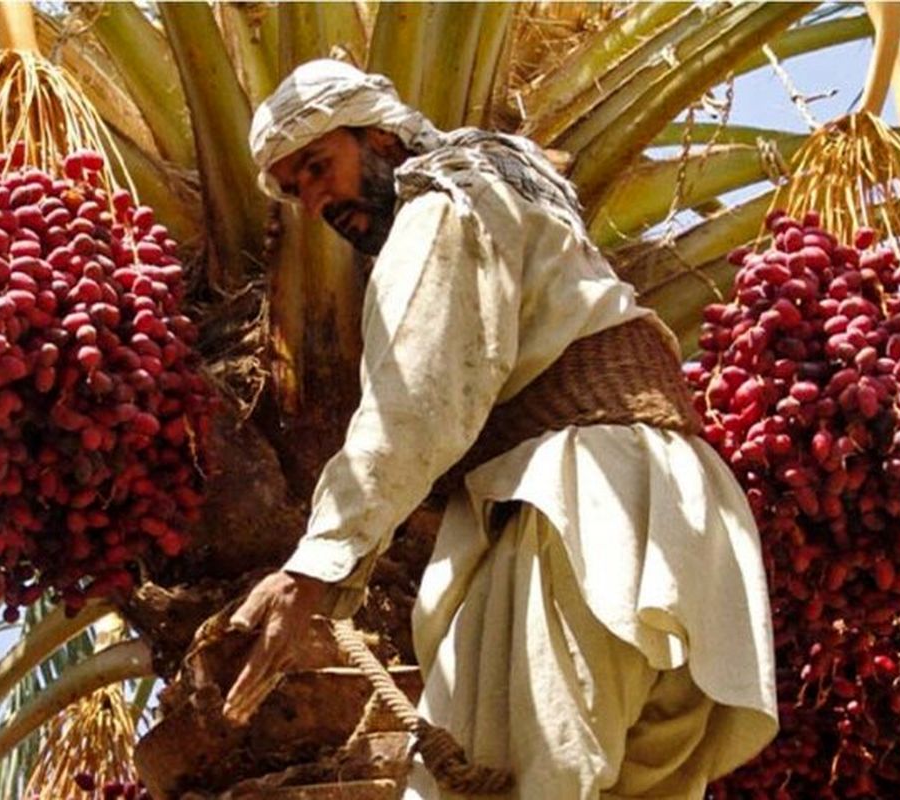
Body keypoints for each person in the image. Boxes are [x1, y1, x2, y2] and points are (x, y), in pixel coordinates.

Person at [224, 59, 778, 800]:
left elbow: (418, 401)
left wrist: (317, 565)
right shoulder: (509, 195)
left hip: (575, 511)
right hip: (674, 517)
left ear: (384, 138)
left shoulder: (442, 207)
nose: (317, 200)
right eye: (297, 189)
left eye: (321, 166)